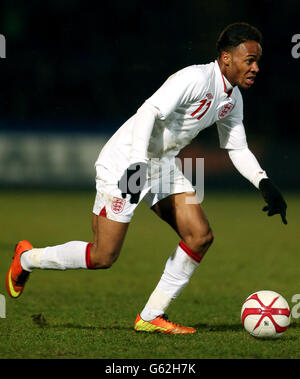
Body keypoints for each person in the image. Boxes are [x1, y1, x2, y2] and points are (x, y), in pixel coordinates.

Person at [6, 22, 287, 334]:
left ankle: (151, 315)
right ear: (226, 58)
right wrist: (137, 166)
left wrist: (264, 183)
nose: (256, 67)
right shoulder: (195, 78)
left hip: (161, 166)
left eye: (258, 60)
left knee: (200, 236)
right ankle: (27, 258)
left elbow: (237, 147)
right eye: (250, 60)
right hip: (127, 163)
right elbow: (148, 111)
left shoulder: (232, 100)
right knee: (103, 255)